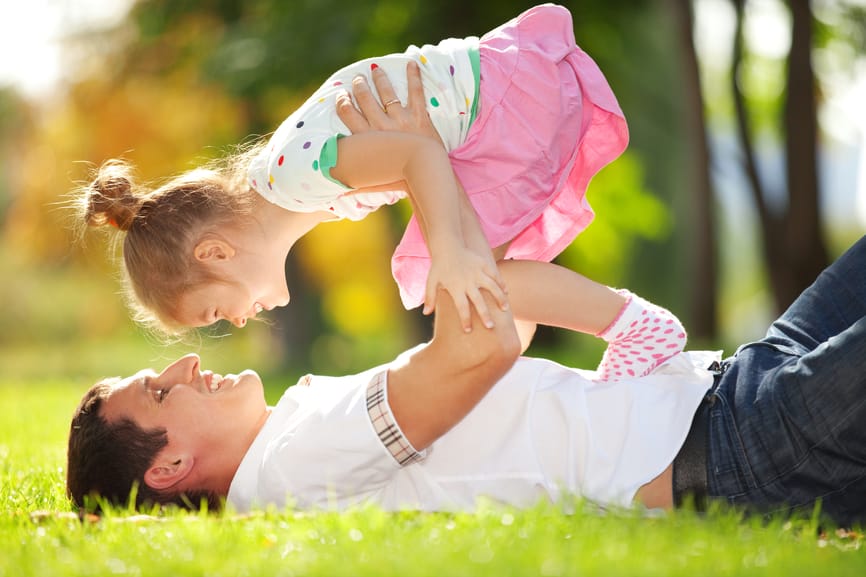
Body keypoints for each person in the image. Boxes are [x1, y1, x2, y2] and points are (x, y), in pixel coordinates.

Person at [67, 233, 866, 527]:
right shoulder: (293, 461)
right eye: (160, 391)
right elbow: (472, 351)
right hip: (737, 444)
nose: (185, 364)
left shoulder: (296, 430)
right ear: (171, 465)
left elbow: (495, 352)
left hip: (727, 387)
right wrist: (441, 199)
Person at [74, 4, 629, 340]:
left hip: (493, 111)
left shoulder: (294, 179)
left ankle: (636, 331)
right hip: (492, 105)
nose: (237, 322)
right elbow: (414, 158)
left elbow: (420, 157)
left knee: (472, 281)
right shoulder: (290, 184)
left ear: (214, 253)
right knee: (482, 297)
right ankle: (520, 387)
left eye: (216, 311)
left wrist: (451, 252)